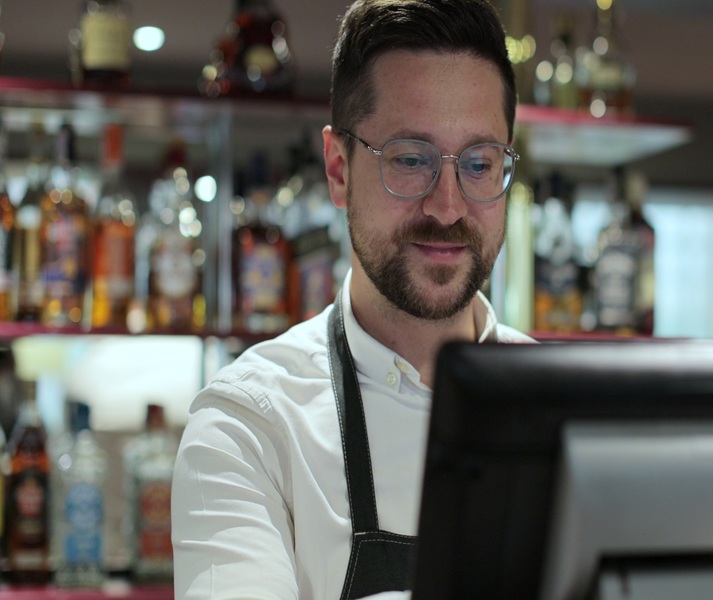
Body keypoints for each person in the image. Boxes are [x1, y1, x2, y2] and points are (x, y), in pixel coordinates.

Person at [170, 0, 532, 598]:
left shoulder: (564, 413)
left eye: (479, 164)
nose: (448, 206)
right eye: (411, 160)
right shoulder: (248, 427)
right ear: (339, 169)